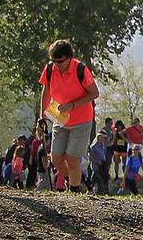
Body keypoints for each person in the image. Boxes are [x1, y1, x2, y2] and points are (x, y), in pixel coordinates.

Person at [38, 39, 100, 193]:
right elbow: (46, 93)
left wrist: (72, 105)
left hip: (82, 119)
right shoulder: (50, 69)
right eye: (53, 61)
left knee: (72, 158)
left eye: (60, 61)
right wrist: (42, 118)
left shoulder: (80, 69)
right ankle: (74, 181)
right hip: (60, 117)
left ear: (69, 58)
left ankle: (74, 190)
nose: (56, 64)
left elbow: (94, 93)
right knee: (57, 158)